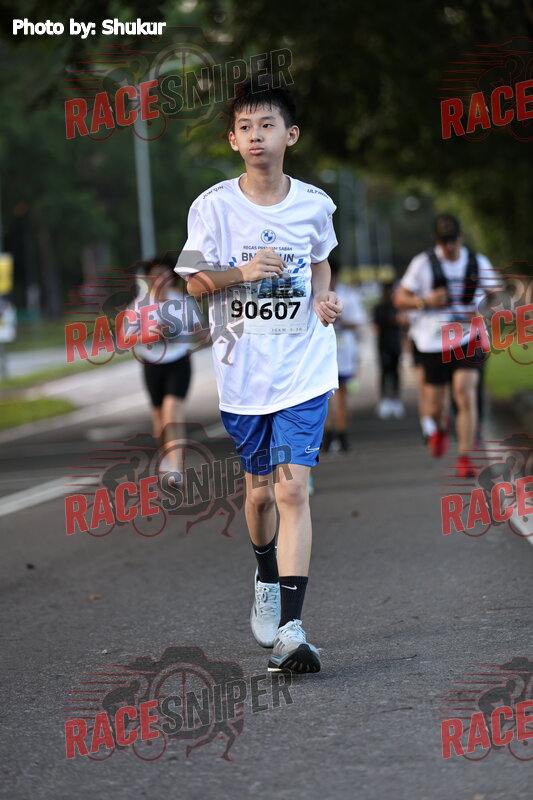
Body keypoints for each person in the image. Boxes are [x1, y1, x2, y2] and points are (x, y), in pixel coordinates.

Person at [175, 78, 342, 674]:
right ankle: (265, 573)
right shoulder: (212, 207)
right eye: (245, 127)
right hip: (243, 374)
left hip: (303, 367)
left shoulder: (315, 204)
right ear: (232, 139)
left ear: (289, 135)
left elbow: (320, 263)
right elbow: (194, 283)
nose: (255, 136)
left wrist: (322, 298)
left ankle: (292, 631)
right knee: (259, 494)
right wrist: (242, 272)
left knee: (293, 489)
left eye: (266, 125)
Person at [393, 214, 501, 477]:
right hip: (432, 340)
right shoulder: (422, 263)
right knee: (434, 407)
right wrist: (425, 302)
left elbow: (495, 296)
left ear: (460, 238)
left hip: (467, 336)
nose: (448, 246)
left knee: (465, 392)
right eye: (443, 241)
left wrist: (483, 313)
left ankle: (465, 457)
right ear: (436, 240)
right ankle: (440, 427)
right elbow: (399, 299)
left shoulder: (477, 262)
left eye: (452, 240)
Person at [120, 255, 194, 483]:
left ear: (172, 277)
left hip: (179, 361)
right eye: (155, 275)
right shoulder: (139, 305)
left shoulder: (183, 302)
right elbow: (124, 339)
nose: (160, 279)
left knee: (173, 412)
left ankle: (176, 468)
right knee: (159, 421)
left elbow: (202, 331)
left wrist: (179, 332)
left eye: (165, 274)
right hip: (152, 363)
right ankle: (167, 457)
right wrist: (151, 335)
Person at [323, 256, 366, 452]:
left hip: (343, 349)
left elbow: (357, 322)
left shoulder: (348, 295)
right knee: (323, 395)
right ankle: (327, 433)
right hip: (322, 349)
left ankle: (342, 432)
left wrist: (340, 321)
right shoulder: (316, 292)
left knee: (341, 393)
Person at [373, 282, 405, 419]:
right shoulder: (379, 308)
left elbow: (402, 322)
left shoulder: (397, 307)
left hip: (395, 344)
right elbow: (376, 326)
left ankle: (396, 399)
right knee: (384, 372)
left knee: (396, 372)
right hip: (383, 344)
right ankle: (384, 399)